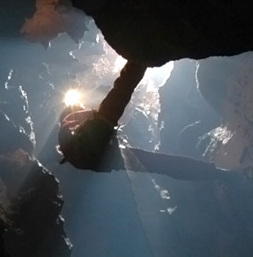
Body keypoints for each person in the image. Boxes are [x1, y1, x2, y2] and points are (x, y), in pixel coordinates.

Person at [56, 62, 237, 182]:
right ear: (74, 119)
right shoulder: (89, 134)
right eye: (81, 109)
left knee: (162, 164)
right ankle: (216, 174)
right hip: (112, 161)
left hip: (108, 163)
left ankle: (213, 173)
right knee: (165, 164)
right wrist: (139, 60)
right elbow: (119, 96)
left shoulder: (72, 141)